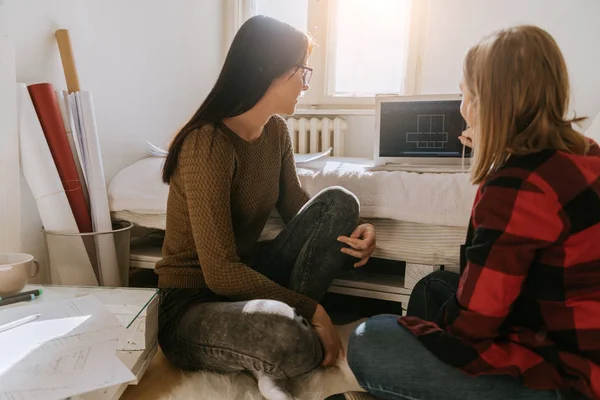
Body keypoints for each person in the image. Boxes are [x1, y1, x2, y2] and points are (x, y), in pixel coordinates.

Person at [330, 25, 600, 400]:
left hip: (563, 378)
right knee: (433, 287)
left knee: (367, 339)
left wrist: (494, 170)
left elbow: (474, 325)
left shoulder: (516, 183)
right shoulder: (587, 153)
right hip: (567, 336)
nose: (462, 108)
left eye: (465, 95)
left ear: (487, 102)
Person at [155, 15, 376, 400]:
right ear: (267, 70)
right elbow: (220, 273)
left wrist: (360, 231)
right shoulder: (207, 144)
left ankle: (266, 354)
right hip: (191, 305)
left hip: (246, 281)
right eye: (302, 72)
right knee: (289, 338)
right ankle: (275, 348)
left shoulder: (275, 130)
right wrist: (313, 310)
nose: (306, 85)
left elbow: (298, 208)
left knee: (341, 202)